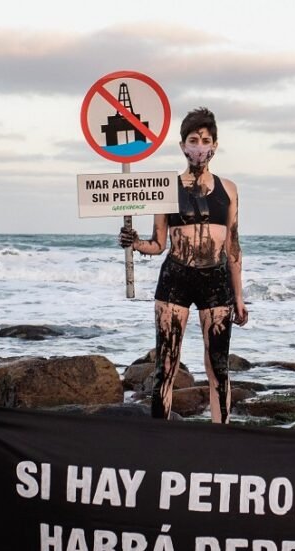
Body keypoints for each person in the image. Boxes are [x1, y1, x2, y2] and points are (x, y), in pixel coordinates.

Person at [118, 107, 248, 423]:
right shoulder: (166, 187)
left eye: (205, 140)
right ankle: (159, 437)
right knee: (166, 365)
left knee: (218, 365)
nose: (199, 146)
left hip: (215, 281)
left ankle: (222, 432)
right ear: (182, 146)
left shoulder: (228, 189)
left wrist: (239, 296)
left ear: (214, 146)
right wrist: (133, 243)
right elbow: (158, 244)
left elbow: (232, 244)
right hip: (176, 277)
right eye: (193, 139)